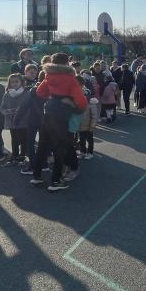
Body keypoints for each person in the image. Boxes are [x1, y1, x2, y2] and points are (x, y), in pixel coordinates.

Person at [34, 54, 88, 191]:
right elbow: (81, 102)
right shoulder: (70, 78)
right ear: (66, 64)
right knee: (60, 147)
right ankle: (55, 181)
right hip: (62, 114)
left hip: (48, 112)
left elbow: (39, 92)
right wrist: (74, 107)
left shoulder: (48, 76)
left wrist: (52, 97)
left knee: (42, 145)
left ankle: (36, 176)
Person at [13, 70, 45, 174]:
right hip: (48, 120)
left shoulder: (34, 90)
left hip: (34, 119)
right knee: (44, 143)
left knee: (30, 142)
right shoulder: (54, 90)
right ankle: (43, 164)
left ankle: (32, 166)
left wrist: (16, 119)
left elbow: (23, 106)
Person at [0, 73, 28, 165]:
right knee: (14, 139)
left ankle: (22, 155)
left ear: (21, 82)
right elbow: (2, 107)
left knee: (23, 139)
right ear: (9, 83)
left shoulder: (25, 94)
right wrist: (7, 111)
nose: (15, 83)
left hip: (23, 121)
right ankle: (14, 155)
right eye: (12, 82)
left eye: (17, 81)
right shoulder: (7, 94)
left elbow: (28, 107)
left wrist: (20, 111)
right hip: (12, 121)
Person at [77, 77, 100, 159]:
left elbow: (94, 116)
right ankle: (82, 152)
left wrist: (92, 126)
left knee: (90, 139)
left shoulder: (91, 104)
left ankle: (90, 153)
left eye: (85, 95)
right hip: (80, 125)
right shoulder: (79, 104)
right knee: (81, 139)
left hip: (88, 126)